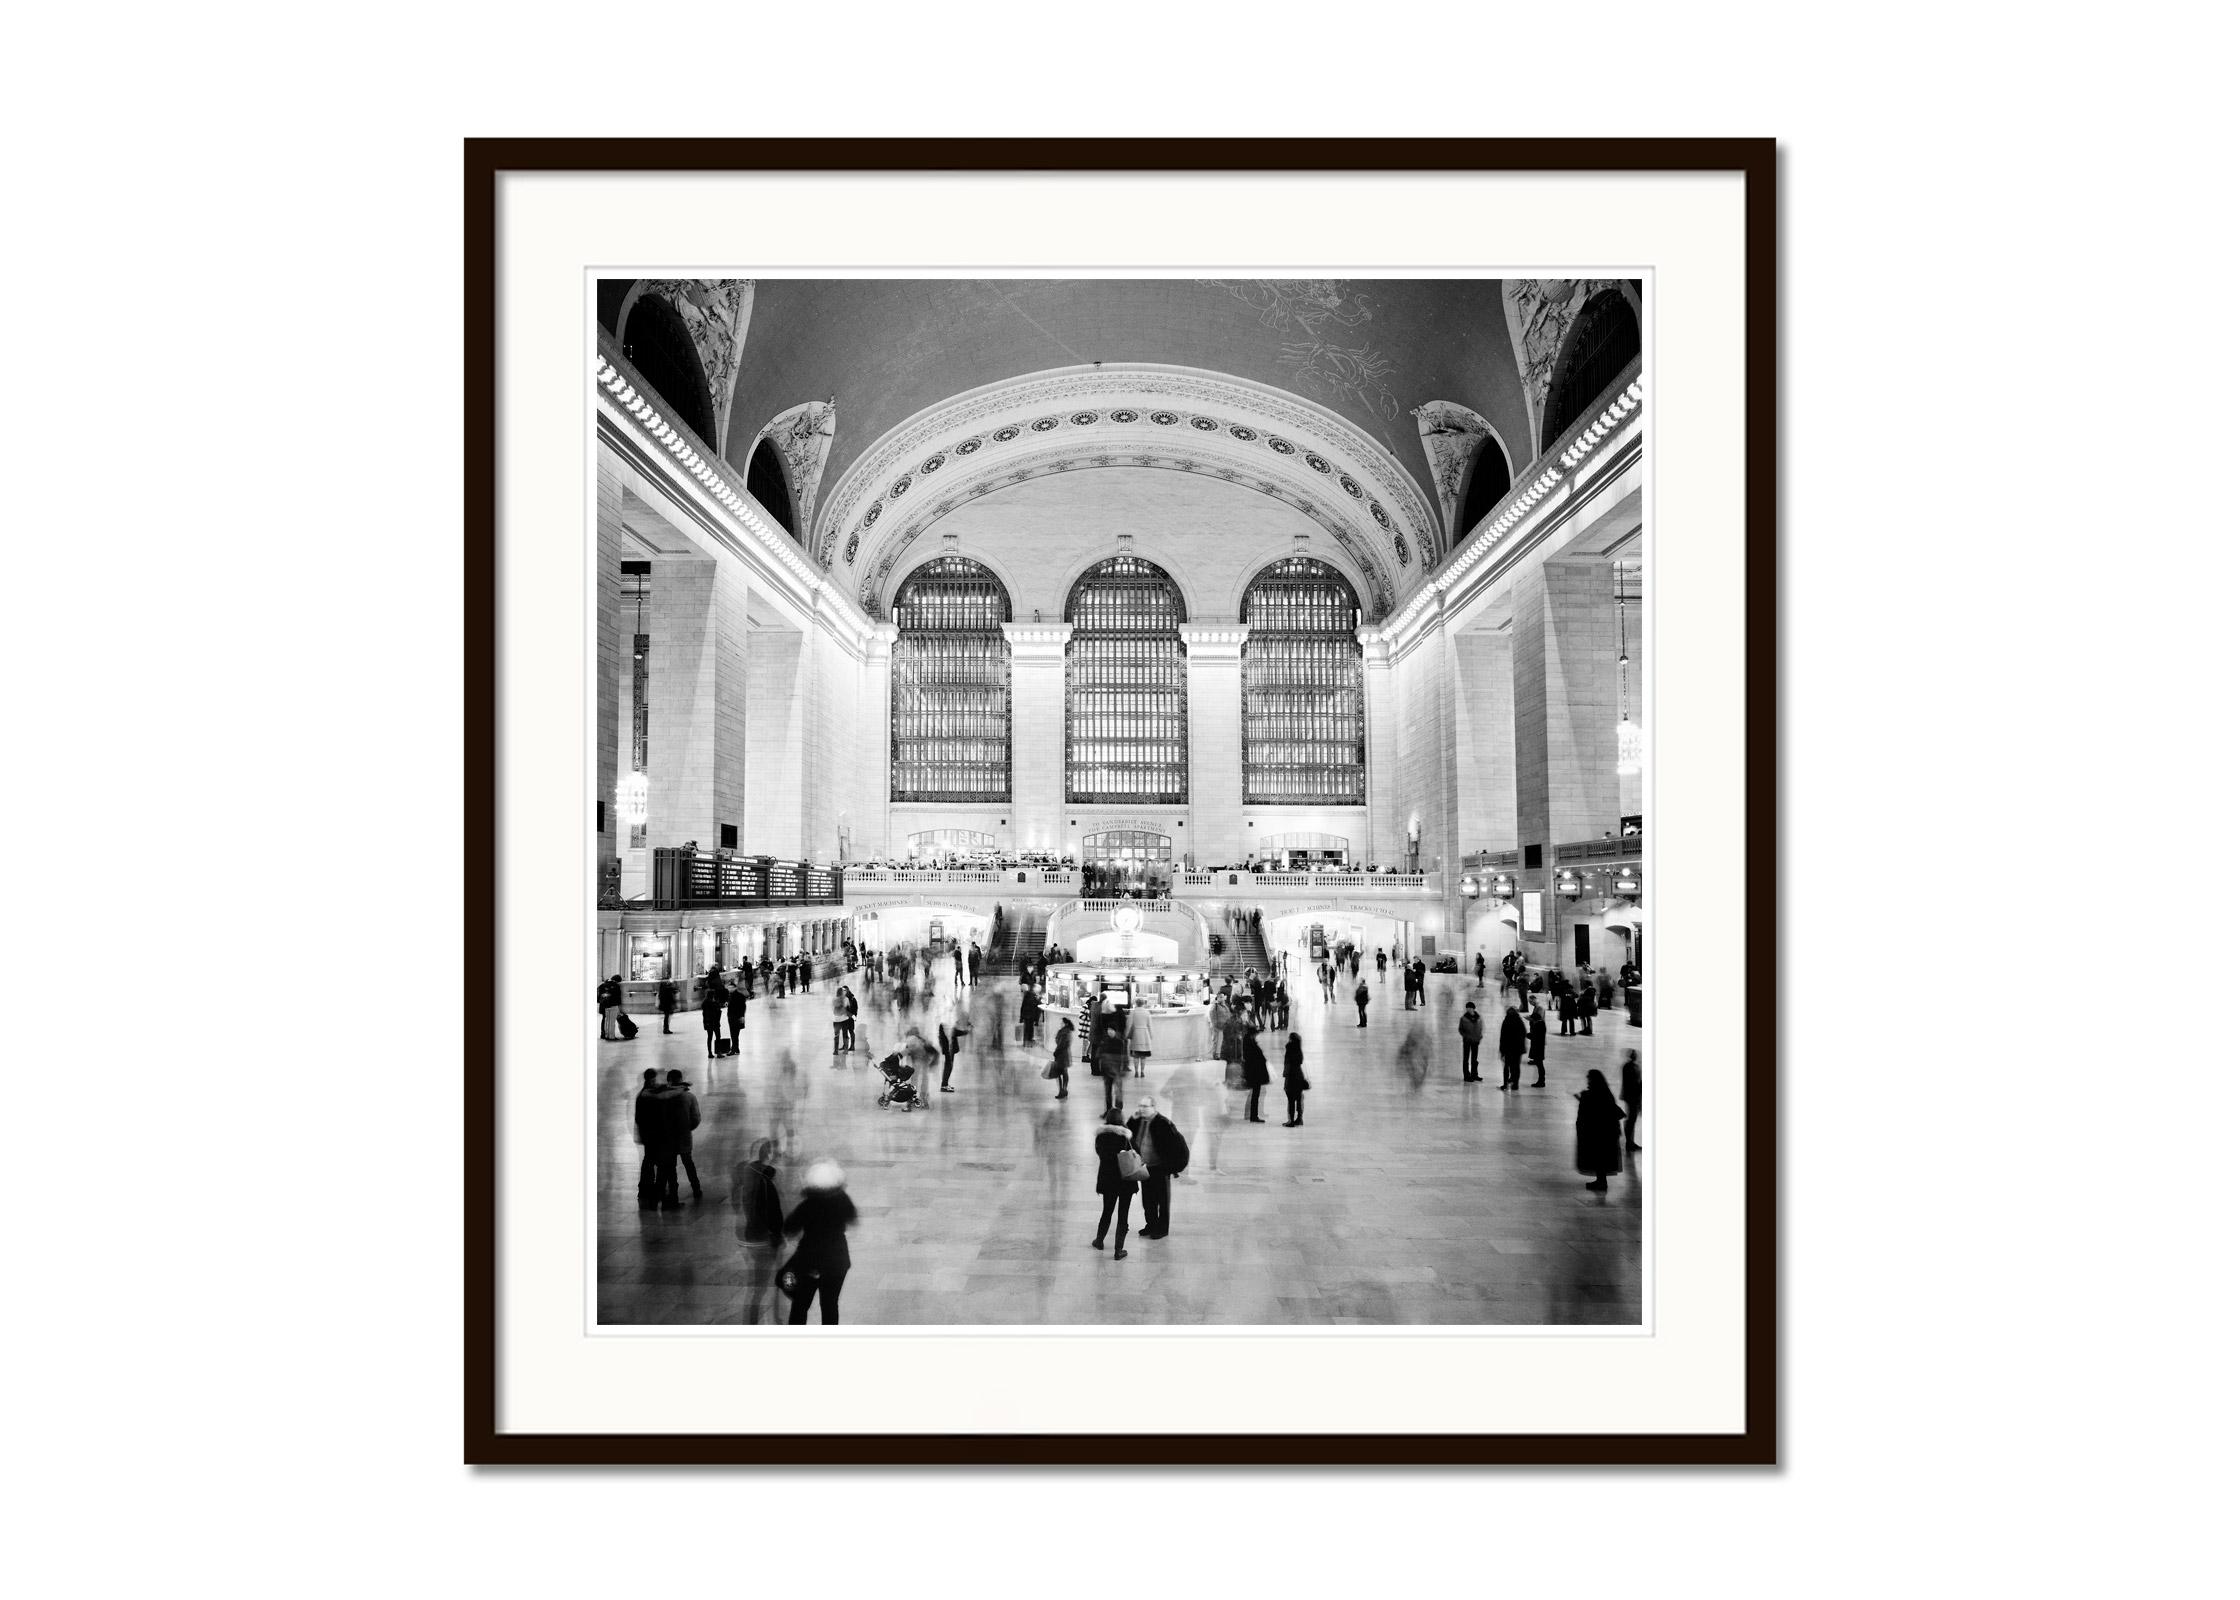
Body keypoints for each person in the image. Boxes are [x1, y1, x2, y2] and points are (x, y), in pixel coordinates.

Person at [780, 1160, 857, 1324]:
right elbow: (852, 1217)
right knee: (830, 1305)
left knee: (800, 1305)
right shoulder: (842, 1200)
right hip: (837, 1262)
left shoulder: (808, 1205)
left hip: (810, 1263)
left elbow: (789, 1228)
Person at [730, 1138, 784, 1324]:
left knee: (759, 1285)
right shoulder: (765, 1182)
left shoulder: (747, 1175)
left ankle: (769, 1319)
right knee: (763, 1287)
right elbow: (773, 1213)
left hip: (749, 1236)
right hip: (763, 1239)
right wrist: (777, 1235)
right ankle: (759, 1323)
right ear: (768, 1155)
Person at [1127, 1096, 1187, 1239]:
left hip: (1160, 1168)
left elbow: (1178, 1146)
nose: (1141, 1109)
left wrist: (1172, 1167)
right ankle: (1151, 1224)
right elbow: (1127, 1133)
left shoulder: (1163, 1123)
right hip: (1144, 1167)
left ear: (1154, 1107)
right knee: (1147, 1200)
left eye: (1145, 1106)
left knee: (1162, 1200)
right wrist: (1131, 1119)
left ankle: (1162, 1228)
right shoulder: (1138, 1121)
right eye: (1140, 1105)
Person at [1091, 1110, 1138, 1259]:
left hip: (1108, 1180)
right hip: (1126, 1181)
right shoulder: (1126, 1136)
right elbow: (1136, 1152)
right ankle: (1118, 1250)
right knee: (1123, 1215)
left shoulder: (1100, 1136)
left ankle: (1099, 1240)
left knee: (1107, 1211)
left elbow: (1099, 1153)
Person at [1575, 1069, 1624, 1193]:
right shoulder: (1604, 1092)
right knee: (1600, 1157)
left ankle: (1601, 1182)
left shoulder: (1594, 1093)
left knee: (1599, 1157)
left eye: (1589, 1078)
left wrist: (1583, 1098)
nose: (1588, 1081)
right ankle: (1601, 1181)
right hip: (1606, 1131)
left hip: (1600, 1132)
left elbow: (1595, 1111)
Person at [665, 1069, 704, 1202]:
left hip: (668, 1137)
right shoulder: (690, 1097)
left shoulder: (664, 1097)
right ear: (681, 1079)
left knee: (670, 1166)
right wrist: (687, 1128)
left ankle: (673, 1193)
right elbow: (696, 1118)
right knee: (688, 1163)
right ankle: (696, 1188)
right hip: (684, 1136)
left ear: (668, 1080)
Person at [631, 1068, 661, 1207]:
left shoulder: (644, 1094)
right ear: (649, 1080)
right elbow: (641, 1118)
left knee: (649, 1160)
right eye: (654, 1079)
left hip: (648, 1133)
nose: (655, 1082)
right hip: (651, 1134)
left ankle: (646, 1187)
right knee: (650, 1160)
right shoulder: (645, 1095)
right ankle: (647, 1187)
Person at [1240, 1026, 1271, 1123]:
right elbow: (1256, 1057)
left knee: (1254, 1094)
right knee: (1255, 1095)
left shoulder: (1248, 1041)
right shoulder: (1250, 1043)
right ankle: (1253, 1115)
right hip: (1254, 1073)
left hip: (1253, 1072)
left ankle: (1252, 1114)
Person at [1280, 1033, 1310, 1126]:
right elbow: (1300, 1061)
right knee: (1298, 1098)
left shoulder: (1289, 1049)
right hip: (1299, 1076)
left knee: (1291, 1100)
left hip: (1291, 1076)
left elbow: (1287, 1064)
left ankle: (1291, 1120)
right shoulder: (1299, 1050)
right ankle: (1299, 1119)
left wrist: (1285, 1074)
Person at [1497, 1004, 1527, 1091]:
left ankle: (1505, 1084)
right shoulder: (1519, 1021)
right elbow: (1523, 1034)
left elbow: (1503, 1037)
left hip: (1508, 1049)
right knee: (1516, 1067)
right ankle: (1515, 1084)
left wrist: (1502, 1050)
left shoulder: (1506, 1021)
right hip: (1518, 1049)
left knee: (1507, 1067)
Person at [1619, 1048, 1643, 1151]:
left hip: (1633, 1096)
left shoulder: (1631, 1066)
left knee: (1632, 1119)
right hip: (1632, 1096)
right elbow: (1632, 1083)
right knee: (1631, 1119)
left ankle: (1630, 1141)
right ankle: (1629, 1142)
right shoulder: (1630, 1067)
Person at [1458, 1001, 1484, 1082]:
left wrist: (1479, 1037)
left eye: (1470, 1008)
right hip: (1467, 1041)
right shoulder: (1463, 1018)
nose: (1468, 1009)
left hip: (1475, 1041)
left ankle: (1474, 1074)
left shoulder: (1479, 1018)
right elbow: (1460, 1029)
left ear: (1473, 1008)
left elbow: (1481, 1028)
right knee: (1466, 1059)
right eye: (1467, 1008)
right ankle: (1466, 1076)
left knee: (1474, 1059)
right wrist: (1465, 1036)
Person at [1049, 1015, 1074, 1100]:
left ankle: (1062, 1091)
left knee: (1059, 1073)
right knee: (1063, 1072)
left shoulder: (1064, 1033)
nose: (1060, 1024)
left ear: (1065, 1024)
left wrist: (1056, 1052)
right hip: (1064, 1055)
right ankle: (1063, 1090)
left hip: (1061, 1055)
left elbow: (1061, 1045)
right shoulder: (1066, 1032)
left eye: (1061, 1023)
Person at [700, 981, 725, 1059]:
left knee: (709, 1037)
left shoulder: (705, 1003)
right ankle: (718, 1053)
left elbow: (705, 1014)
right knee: (718, 1037)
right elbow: (717, 1012)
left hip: (708, 1023)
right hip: (714, 1022)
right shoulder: (713, 1003)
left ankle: (710, 1053)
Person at [1528, 1001, 1549, 1087]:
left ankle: (1541, 1081)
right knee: (1539, 1065)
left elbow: (1534, 1036)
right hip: (1539, 1048)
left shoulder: (1538, 1025)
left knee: (1540, 1065)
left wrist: (1527, 1035)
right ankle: (1541, 1080)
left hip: (1538, 1048)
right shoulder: (1541, 1024)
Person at [725, 981, 747, 1056]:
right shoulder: (730, 995)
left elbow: (743, 1007)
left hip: (736, 1016)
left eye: (731, 988)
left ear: (735, 988)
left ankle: (733, 1049)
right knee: (734, 1033)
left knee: (734, 1033)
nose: (729, 989)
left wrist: (742, 1016)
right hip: (731, 1016)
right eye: (728, 988)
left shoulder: (740, 996)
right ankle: (736, 1048)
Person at [830, 984, 851, 1054]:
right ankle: (846, 1050)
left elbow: (832, 1008)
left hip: (836, 1020)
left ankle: (835, 1050)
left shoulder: (834, 999)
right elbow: (848, 1007)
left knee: (836, 1036)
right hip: (844, 1019)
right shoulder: (846, 999)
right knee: (845, 1035)